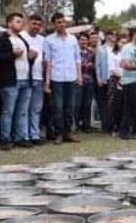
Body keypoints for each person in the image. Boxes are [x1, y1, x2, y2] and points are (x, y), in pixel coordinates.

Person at [0, 13, 33, 149]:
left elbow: (26, 59)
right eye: (17, 21)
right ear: (9, 23)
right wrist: (12, 55)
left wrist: (31, 57)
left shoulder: (22, 39)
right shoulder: (2, 39)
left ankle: (21, 136)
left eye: (21, 21)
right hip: (10, 80)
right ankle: (6, 138)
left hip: (26, 79)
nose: (20, 24)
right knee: (8, 111)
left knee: (22, 110)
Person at [44, 13, 81, 144]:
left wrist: (79, 76)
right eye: (58, 22)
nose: (61, 24)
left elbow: (77, 59)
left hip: (71, 76)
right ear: (54, 24)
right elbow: (48, 62)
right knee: (57, 107)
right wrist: (47, 83)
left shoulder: (73, 39)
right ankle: (58, 133)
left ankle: (68, 132)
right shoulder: (49, 40)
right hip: (57, 77)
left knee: (70, 106)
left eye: (63, 22)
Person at [22, 14, 46, 145]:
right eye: (34, 23)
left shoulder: (43, 40)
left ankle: (35, 134)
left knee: (36, 108)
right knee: (24, 108)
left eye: (38, 24)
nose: (36, 26)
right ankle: (24, 135)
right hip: (25, 77)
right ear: (27, 23)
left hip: (39, 76)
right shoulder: (21, 37)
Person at [76, 32, 96, 133]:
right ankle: (76, 124)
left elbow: (95, 65)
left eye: (85, 40)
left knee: (87, 104)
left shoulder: (91, 53)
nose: (83, 42)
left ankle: (86, 125)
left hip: (89, 80)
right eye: (81, 40)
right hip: (78, 80)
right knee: (78, 103)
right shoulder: (75, 52)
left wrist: (91, 65)